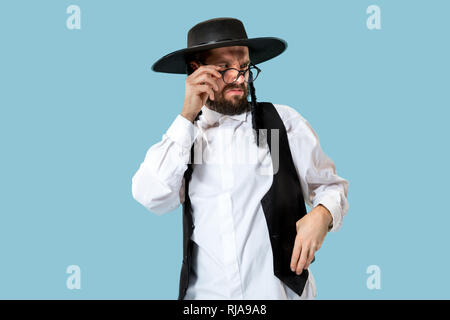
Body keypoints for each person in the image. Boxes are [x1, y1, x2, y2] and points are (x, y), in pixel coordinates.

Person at [132, 17, 349, 300]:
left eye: (244, 67)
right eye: (224, 69)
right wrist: (186, 116)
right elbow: (151, 196)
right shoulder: (185, 140)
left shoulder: (282, 123)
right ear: (197, 71)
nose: (240, 78)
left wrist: (323, 215)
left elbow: (332, 187)